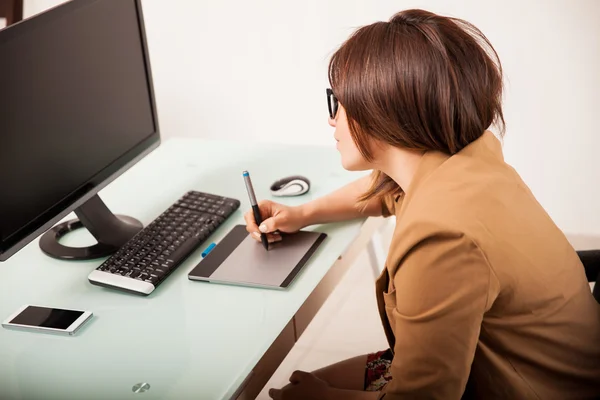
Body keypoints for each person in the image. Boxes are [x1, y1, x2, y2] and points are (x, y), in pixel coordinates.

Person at [244, 8, 600, 400]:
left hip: (531, 388)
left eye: (339, 103)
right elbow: (385, 192)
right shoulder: (467, 163)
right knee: (297, 384)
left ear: (382, 111)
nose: (333, 120)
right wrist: (303, 213)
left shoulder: (441, 238)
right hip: (552, 361)